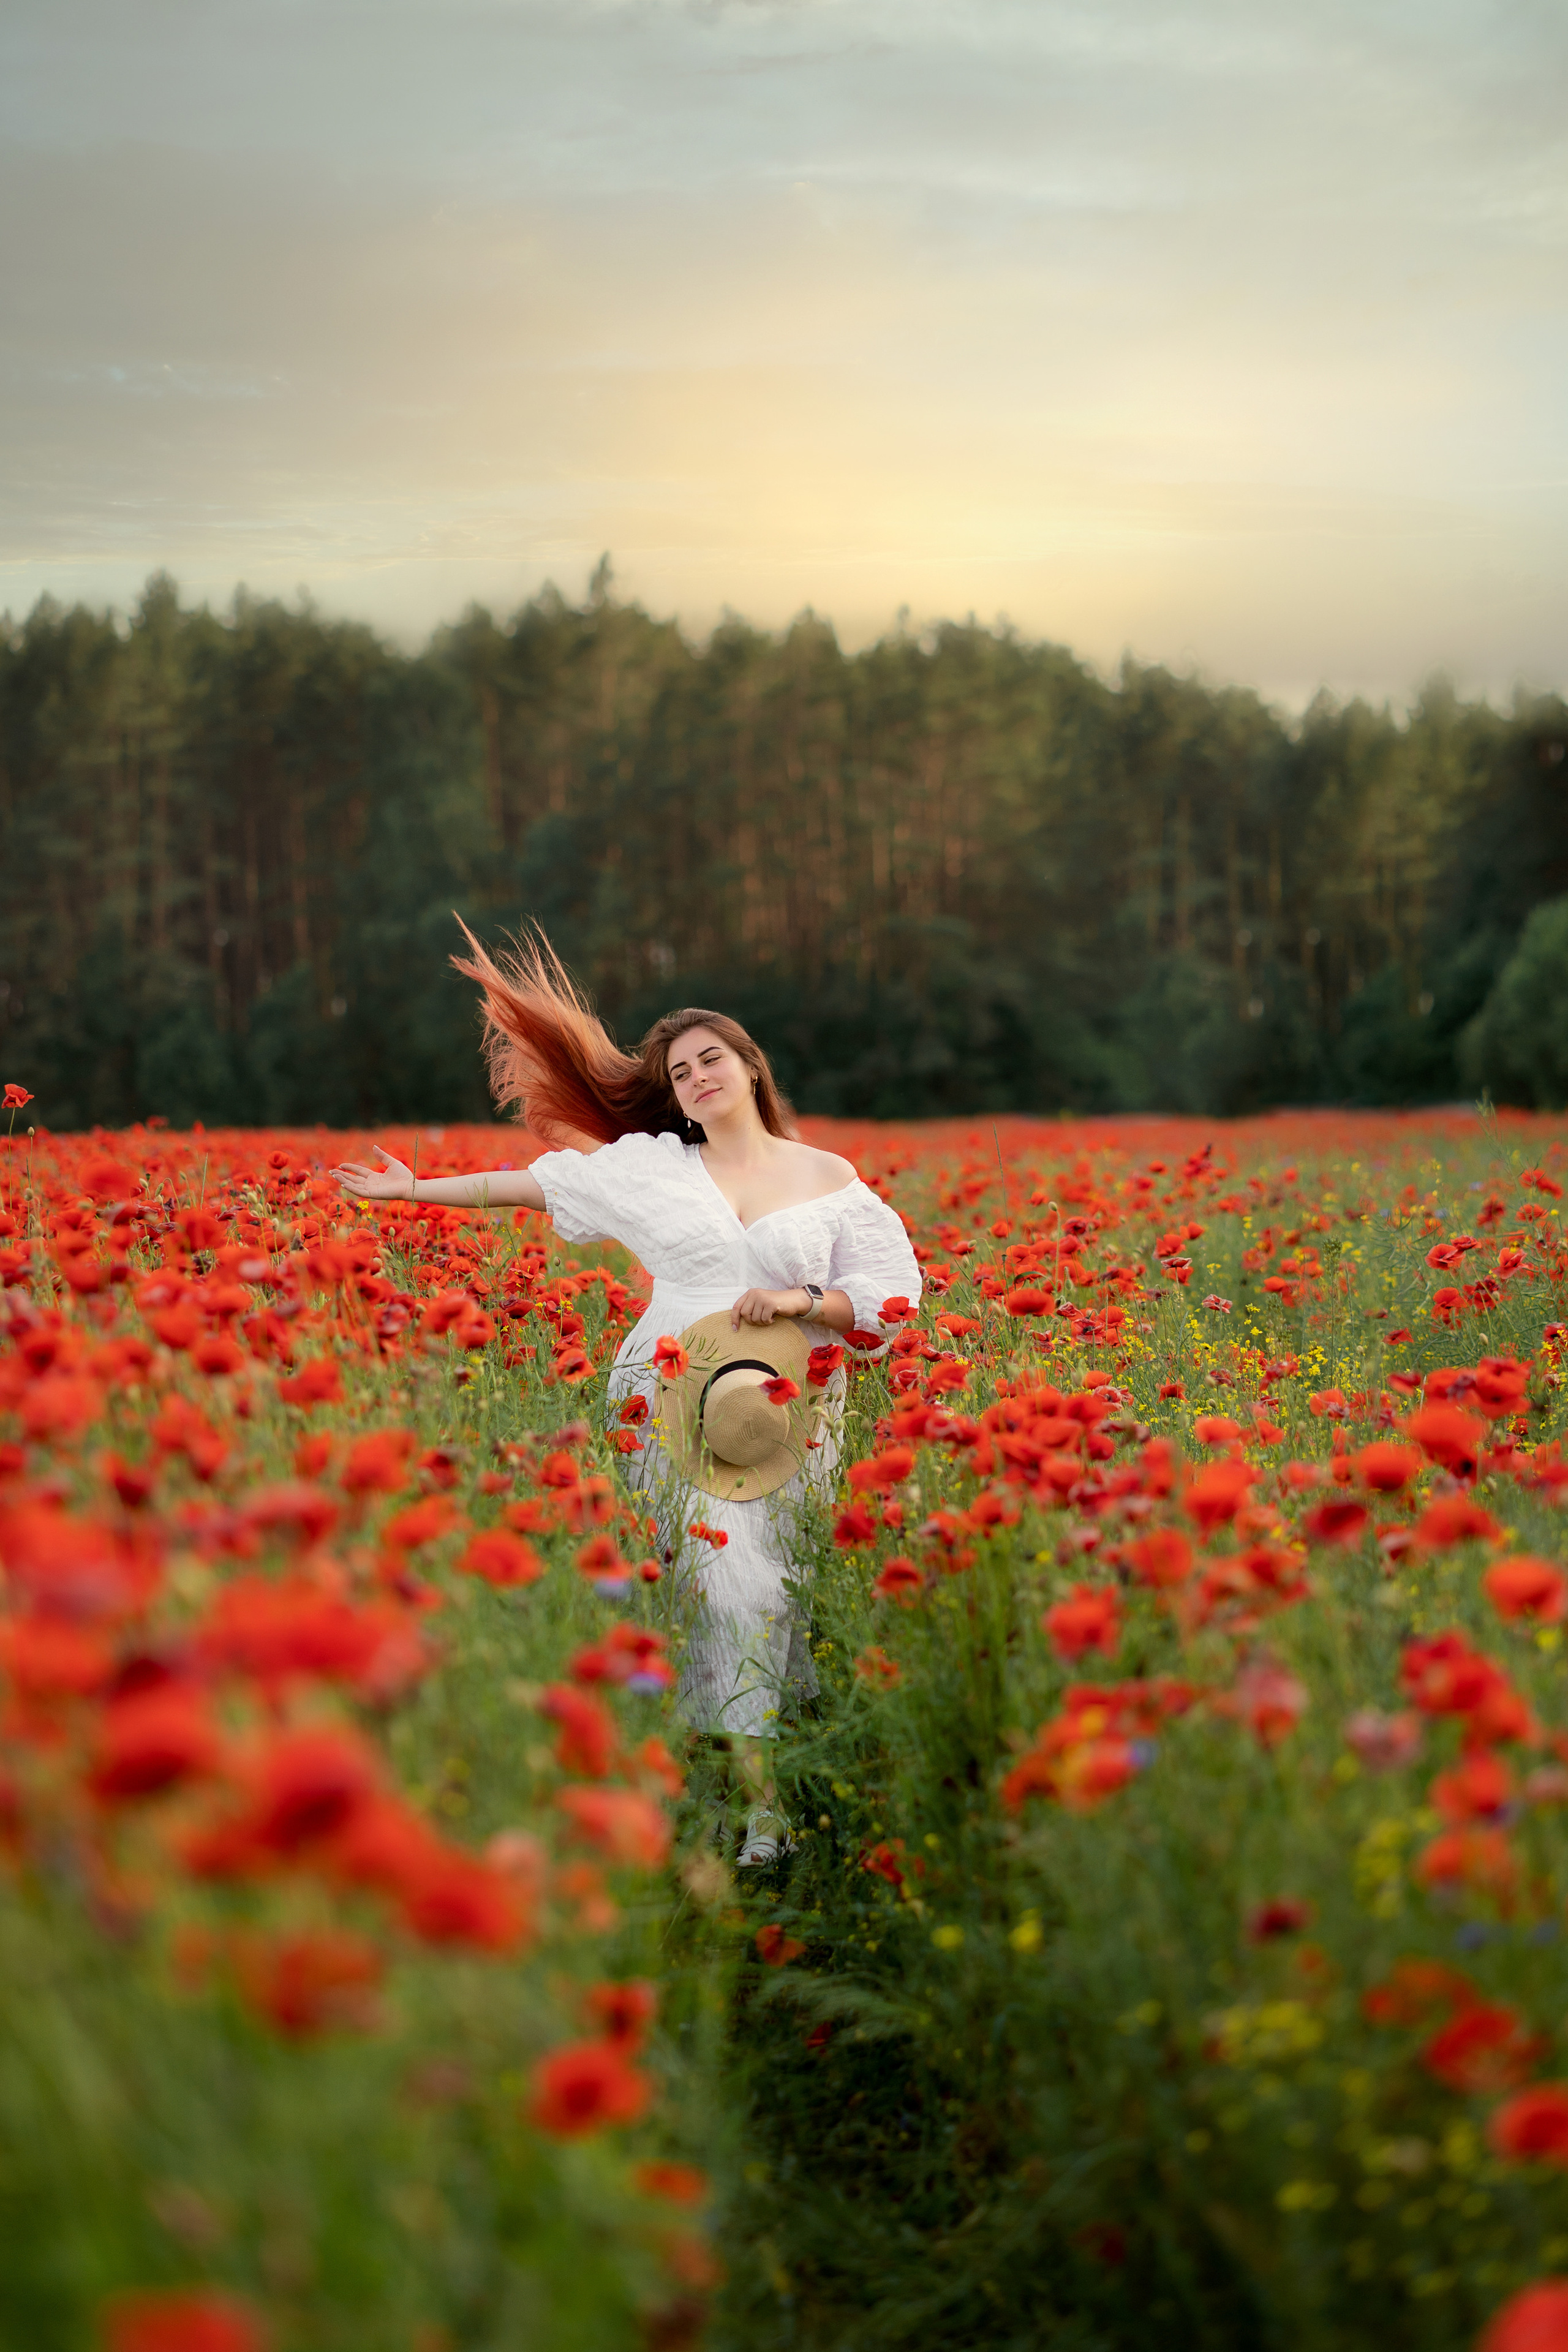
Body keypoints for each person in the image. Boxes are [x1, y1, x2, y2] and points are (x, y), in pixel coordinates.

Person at [333, 928, 920, 1860]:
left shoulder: (829, 1179)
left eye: (710, 1059)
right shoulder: (651, 1167)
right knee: (722, 1584)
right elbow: (528, 1186)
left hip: (786, 1408)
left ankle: (728, 1775)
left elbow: (892, 1295)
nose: (696, 1078)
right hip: (671, 1396)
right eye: (681, 1072)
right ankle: (758, 1813)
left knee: (769, 1589)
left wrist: (806, 1299)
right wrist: (412, 1195)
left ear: (749, 1064)